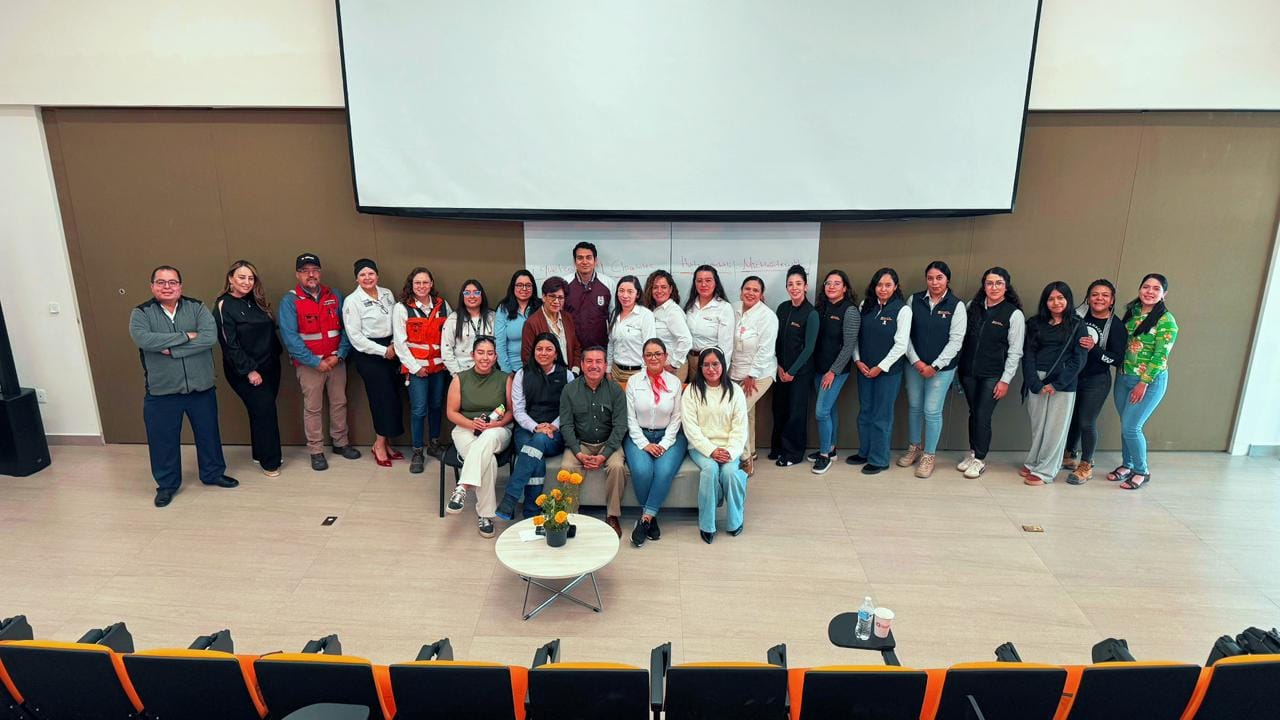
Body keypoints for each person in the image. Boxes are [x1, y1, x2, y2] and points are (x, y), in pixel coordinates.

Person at [129, 265, 238, 507]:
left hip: (201, 389)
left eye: (172, 282)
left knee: (209, 435)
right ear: (152, 286)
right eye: (161, 282)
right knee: (163, 441)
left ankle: (213, 474)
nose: (167, 287)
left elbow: (209, 337)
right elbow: (144, 339)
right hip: (162, 392)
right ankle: (167, 485)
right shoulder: (142, 313)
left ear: (180, 286)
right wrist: (187, 336)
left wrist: (172, 350)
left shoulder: (196, 307)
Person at [279, 253, 361, 471]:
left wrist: (339, 355)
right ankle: (316, 451)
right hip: (309, 366)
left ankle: (340, 443)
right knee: (313, 408)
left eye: (314, 269)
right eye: (305, 271)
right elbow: (290, 338)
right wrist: (315, 362)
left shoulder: (334, 295)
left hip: (336, 362)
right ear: (298, 275)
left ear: (320, 272)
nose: (311, 274)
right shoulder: (290, 301)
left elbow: (347, 329)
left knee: (339, 403)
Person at [214, 260, 283, 478]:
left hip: (271, 366)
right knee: (266, 412)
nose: (247, 282)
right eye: (242, 277)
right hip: (245, 371)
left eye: (251, 278)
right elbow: (229, 344)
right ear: (230, 279)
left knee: (260, 412)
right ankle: (271, 463)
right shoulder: (223, 305)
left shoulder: (256, 302)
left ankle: (259, 454)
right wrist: (249, 371)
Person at [1109, 274, 1178, 491]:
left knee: (1132, 427)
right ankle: (1127, 465)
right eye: (1146, 287)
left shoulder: (1166, 321)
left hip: (1148, 381)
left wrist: (1143, 382)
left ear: (1164, 294)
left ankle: (1142, 470)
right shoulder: (1133, 313)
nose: (1150, 291)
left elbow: (1160, 356)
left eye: (1156, 289)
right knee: (1125, 424)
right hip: (1123, 377)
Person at [898, 261, 966, 479]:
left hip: (942, 369)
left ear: (947, 279)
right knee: (915, 407)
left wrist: (935, 366)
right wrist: (917, 362)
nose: (934, 282)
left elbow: (956, 342)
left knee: (932, 411)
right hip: (914, 366)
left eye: (939, 278)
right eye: (930, 278)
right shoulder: (914, 300)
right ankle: (915, 447)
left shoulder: (956, 306)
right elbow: (905, 335)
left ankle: (929, 455)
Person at [956, 267, 1025, 479]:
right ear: (983, 285)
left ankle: (980, 459)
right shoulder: (972, 307)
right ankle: (973, 452)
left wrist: (1005, 381)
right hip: (968, 372)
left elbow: (1015, 351)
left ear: (1006, 286)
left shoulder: (1013, 314)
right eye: (989, 283)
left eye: (998, 283)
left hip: (993, 375)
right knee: (974, 413)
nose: (993, 287)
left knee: (983, 415)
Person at [498, 332, 575, 522]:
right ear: (533, 352)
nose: (543, 353)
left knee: (538, 443)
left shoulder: (567, 375)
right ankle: (531, 513)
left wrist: (552, 427)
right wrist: (535, 427)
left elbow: (569, 410)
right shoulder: (522, 375)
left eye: (549, 349)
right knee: (535, 454)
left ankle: (510, 498)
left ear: (556, 354)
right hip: (527, 429)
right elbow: (518, 410)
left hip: (555, 432)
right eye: (539, 349)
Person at [444, 336, 513, 538]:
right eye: (481, 353)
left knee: (489, 439)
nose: (485, 357)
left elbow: (510, 411)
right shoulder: (460, 378)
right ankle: (486, 515)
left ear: (495, 356)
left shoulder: (504, 378)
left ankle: (463, 487)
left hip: (497, 430)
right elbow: (452, 412)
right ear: (472, 355)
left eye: (490, 353)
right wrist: (472, 423)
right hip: (465, 429)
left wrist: (495, 424)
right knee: (488, 460)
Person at [1020, 282, 1088, 486]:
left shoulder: (1077, 325)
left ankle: (1046, 471)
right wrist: (1034, 382)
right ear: (1045, 301)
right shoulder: (1034, 323)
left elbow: (1079, 359)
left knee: (1055, 429)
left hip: (1063, 384)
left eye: (1060, 298)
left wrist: (1057, 384)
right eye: (1051, 298)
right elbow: (1028, 355)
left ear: (1068, 300)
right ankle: (1033, 462)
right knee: (1038, 426)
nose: (1056, 302)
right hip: (1037, 381)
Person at [558, 347, 628, 537]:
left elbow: (620, 426)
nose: (594, 366)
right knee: (567, 466)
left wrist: (604, 455)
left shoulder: (615, 391)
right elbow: (566, 425)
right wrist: (578, 453)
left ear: (605, 365)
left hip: (608, 443)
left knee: (617, 467)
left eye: (599, 361)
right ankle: (571, 516)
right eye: (589, 361)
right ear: (581, 365)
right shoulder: (570, 390)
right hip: (581, 444)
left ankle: (612, 515)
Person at [682, 347, 749, 544]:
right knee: (710, 470)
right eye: (706, 365)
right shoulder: (692, 391)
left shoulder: (735, 391)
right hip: (701, 448)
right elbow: (691, 428)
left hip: (729, 448)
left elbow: (740, 428)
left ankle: (735, 520)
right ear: (700, 367)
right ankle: (707, 525)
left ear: (723, 365)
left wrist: (729, 451)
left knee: (729, 473)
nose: (711, 369)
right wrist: (711, 450)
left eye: (715, 364)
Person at [848, 268, 911, 475]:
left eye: (887, 285)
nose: (883, 289)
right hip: (864, 369)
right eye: (879, 285)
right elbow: (856, 336)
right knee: (865, 412)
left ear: (895, 287)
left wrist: (880, 367)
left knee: (881, 416)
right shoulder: (866, 305)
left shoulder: (902, 310)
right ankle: (865, 452)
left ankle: (879, 459)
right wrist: (857, 360)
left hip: (888, 373)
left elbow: (901, 345)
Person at [623, 339, 686, 547]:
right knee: (642, 471)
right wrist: (644, 443)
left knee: (663, 470)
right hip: (639, 435)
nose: (653, 358)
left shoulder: (674, 383)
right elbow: (630, 418)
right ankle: (652, 516)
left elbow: (677, 418)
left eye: (658, 354)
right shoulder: (634, 382)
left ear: (665, 356)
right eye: (649, 354)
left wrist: (665, 443)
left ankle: (645, 519)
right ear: (643, 358)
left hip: (669, 436)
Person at [1063, 279, 1126, 484]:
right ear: (1088, 298)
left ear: (1111, 300)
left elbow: (1117, 359)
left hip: (1096, 380)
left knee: (1086, 422)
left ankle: (1086, 464)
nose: (1099, 298)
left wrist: (1095, 349)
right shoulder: (1076, 317)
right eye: (1095, 294)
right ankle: (1069, 455)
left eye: (1105, 295)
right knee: (1071, 418)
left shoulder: (1116, 326)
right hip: (1072, 376)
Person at [343, 258, 405, 466]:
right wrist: (382, 351)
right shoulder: (352, 301)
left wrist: (395, 345)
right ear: (357, 278)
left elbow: (397, 320)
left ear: (377, 275)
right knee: (381, 400)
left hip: (392, 350)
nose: (367, 278)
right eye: (362, 275)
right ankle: (378, 444)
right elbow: (355, 337)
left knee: (394, 397)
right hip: (370, 355)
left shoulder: (387, 293)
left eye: (370, 274)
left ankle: (386, 443)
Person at [392, 266, 451, 472]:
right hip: (417, 371)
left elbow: (450, 336)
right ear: (411, 284)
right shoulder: (402, 308)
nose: (422, 286)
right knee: (418, 410)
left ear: (431, 284)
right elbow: (400, 344)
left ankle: (434, 444)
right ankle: (417, 451)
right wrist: (416, 368)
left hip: (439, 370)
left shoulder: (444, 306)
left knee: (436, 406)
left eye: (425, 282)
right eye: (417, 282)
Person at [810, 270, 859, 475]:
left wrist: (833, 372)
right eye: (828, 283)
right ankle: (831, 448)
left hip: (835, 371)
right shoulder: (820, 308)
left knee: (821, 412)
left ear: (845, 287)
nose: (831, 287)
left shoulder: (850, 311)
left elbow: (848, 347)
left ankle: (824, 456)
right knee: (829, 410)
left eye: (836, 283)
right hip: (818, 368)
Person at [729, 276, 777, 477]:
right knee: (747, 412)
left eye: (755, 290)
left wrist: (752, 375)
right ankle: (753, 450)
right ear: (741, 291)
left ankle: (745, 459)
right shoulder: (733, 309)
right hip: (734, 371)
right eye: (747, 289)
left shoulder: (768, 317)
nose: (750, 293)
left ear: (761, 295)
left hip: (760, 373)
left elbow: (766, 350)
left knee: (739, 410)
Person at [770, 265, 818, 467]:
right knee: (779, 409)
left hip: (800, 373)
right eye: (790, 284)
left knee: (796, 413)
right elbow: (775, 340)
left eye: (798, 283)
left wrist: (791, 372)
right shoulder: (782, 308)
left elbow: (809, 348)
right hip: (780, 371)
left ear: (806, 287)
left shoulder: (811, 313)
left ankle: (793, 454)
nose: (794, 287)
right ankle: (778, 448)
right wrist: (780, 367)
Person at [683, 265, 735, 384]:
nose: (703, 284)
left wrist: (721, 371)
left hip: (710, 363)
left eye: (708, 280)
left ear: (715, 282)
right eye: (699, 281)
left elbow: (726, 345)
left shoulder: (724, 308)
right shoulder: (690, 306)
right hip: (691, 360)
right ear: (695, 284)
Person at [523, 276, 582, 372]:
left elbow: (576, 347)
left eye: (560, 297)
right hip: (545, 378)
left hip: (569, 374)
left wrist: (575, 370)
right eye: (552, 296)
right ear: (544, 297)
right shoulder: (531, 323)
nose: (556, 301)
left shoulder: (567, 318)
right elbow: (527, 357)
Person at [643, 270, 693, 382]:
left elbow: (686, 340)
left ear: (670, 289)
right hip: (659, 366)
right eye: (655, 287)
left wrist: (673, 364)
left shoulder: (673, 312)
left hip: (673, 369)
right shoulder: (654, 310)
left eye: (663, 287)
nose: (659, 291)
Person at [564, 242, 614, 351]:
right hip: (572, 349)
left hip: (600, 348)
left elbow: (613, 317)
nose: (584, 262)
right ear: (574, 262)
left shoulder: (608, 284)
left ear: (595, 261)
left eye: (588, 257)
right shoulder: (564, 284)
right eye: (580, 258)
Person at [606, 275, 656, 386]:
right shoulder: (615, 313)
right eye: (621, 291)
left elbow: (650, 347)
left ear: (637, 294)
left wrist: (645, 374)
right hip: (616, 371)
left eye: (630, 291)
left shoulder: (645, 315)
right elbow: (611, 343)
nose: (625, 295)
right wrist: (608, 369)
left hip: (637, 373)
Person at [441, 279, 496, 376]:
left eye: (476, 292)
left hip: (490, 373)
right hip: (462, 373)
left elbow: (500, 345)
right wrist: (458, 376)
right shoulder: (453, 319)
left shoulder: (493, 317)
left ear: (482, 295)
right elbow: (446, 351)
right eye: (467, 293)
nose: (472, 296)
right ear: (462, 296)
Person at [495, 269, 539, 373]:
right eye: (519, 285)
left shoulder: (541, 307)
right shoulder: (503, 309)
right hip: (513, 368)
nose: (524, 289)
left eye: (528, 285)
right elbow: (500, 344)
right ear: (513, 287)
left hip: (539, 368)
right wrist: (507, 371)